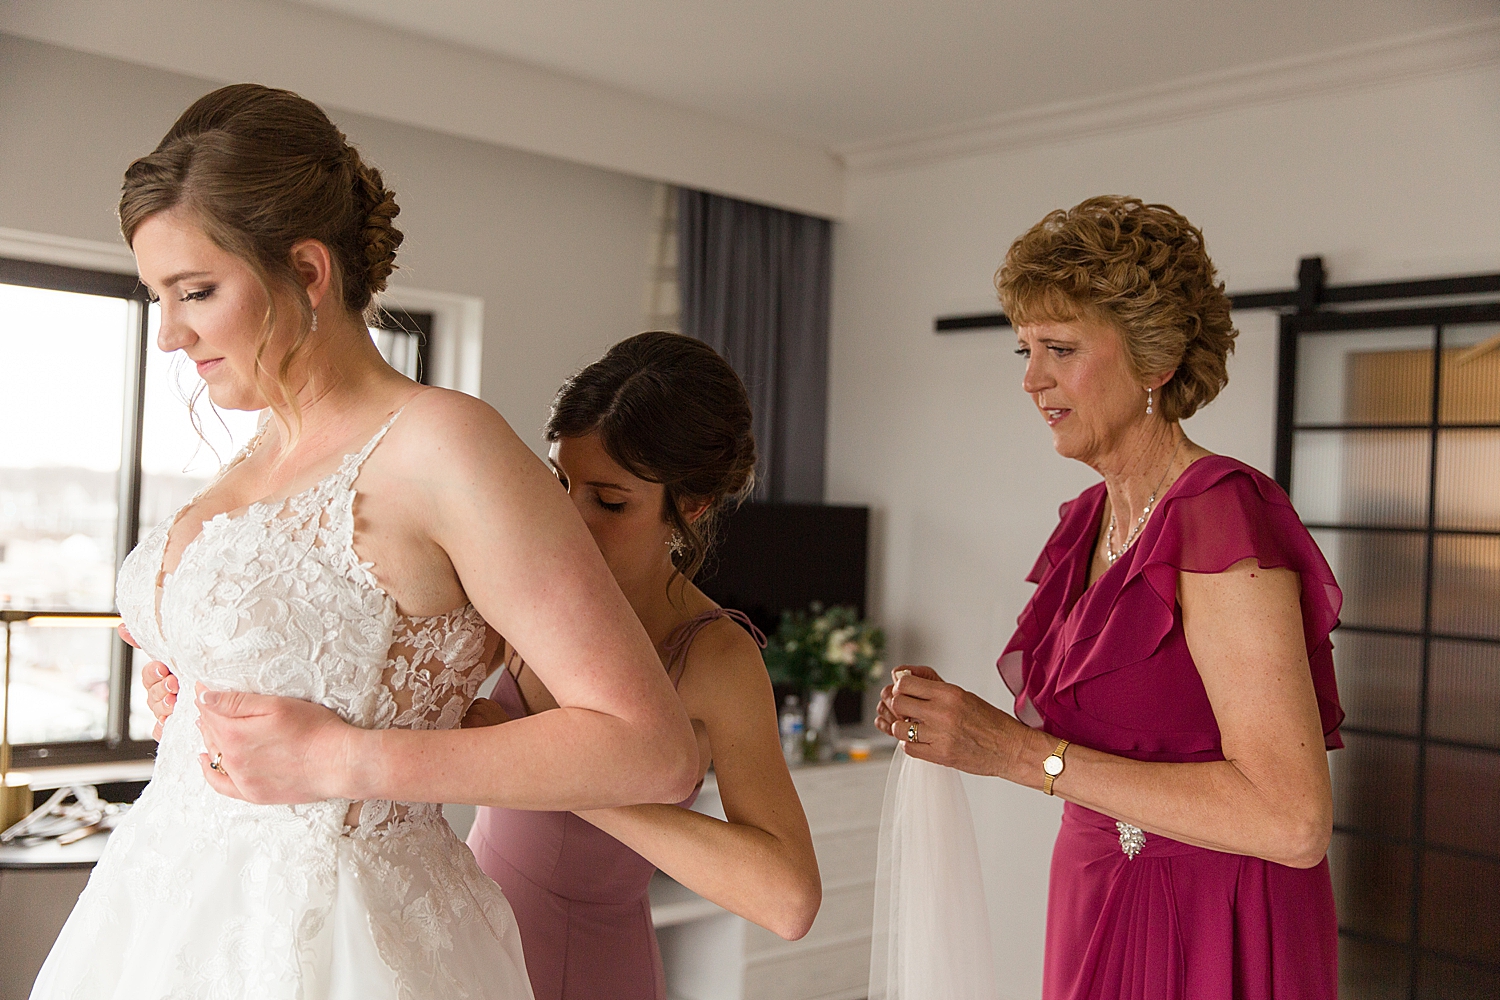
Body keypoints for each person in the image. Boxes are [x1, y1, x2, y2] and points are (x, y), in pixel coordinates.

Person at [32, 84, 697, 1000]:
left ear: (308, 272)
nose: (170, 335)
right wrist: (188, 671)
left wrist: (347, 760)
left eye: (195, 292)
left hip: (341, 931)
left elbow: (650, 750)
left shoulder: (446, 445)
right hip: (162, 911)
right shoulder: (260, 449)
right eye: (157, 297)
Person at [142, 332, 823, 999]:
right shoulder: (516, 588)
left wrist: (573, 778)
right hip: (458, 935)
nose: (568, 518)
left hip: (582, 967)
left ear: (692, 506)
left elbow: (787, 899)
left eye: (610, 501)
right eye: (559, 481)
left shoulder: (714, 655)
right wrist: (204, 681)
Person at [875, 196, 1344, 1000]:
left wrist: (1016, 754)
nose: (1030, 380)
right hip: (1095, 890)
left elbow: (1293, 822)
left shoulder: (1221, 514)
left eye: (1059, 348)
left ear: (1154, 360)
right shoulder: (1087, 522)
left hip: (1213, 921)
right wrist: (956, 727)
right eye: (1024, 349)